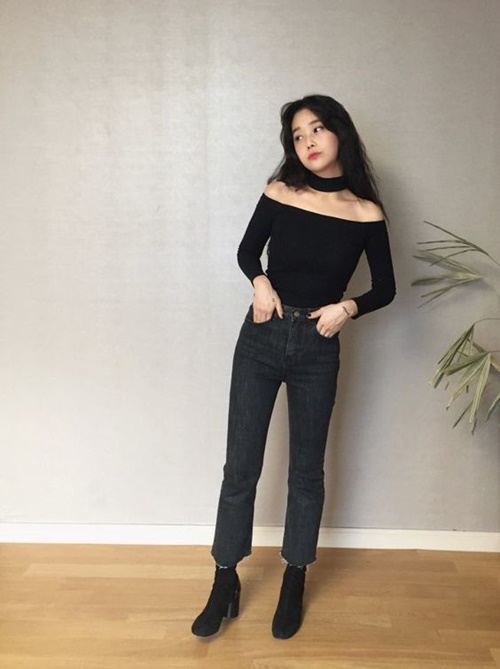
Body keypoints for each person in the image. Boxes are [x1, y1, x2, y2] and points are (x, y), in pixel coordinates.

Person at [191, 94, 396, 640]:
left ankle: (294, 577)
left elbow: (385, 287)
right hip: (262, 334)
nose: (307, 142)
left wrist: (347, 308)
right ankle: (224, 578)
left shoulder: (365, 212)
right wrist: (259, 282)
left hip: (317, 347)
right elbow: (247, 252)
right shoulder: (281, 191)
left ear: (340, 133)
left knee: (306, 471)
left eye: (317, 129)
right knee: (241, 466)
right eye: (298, 136)